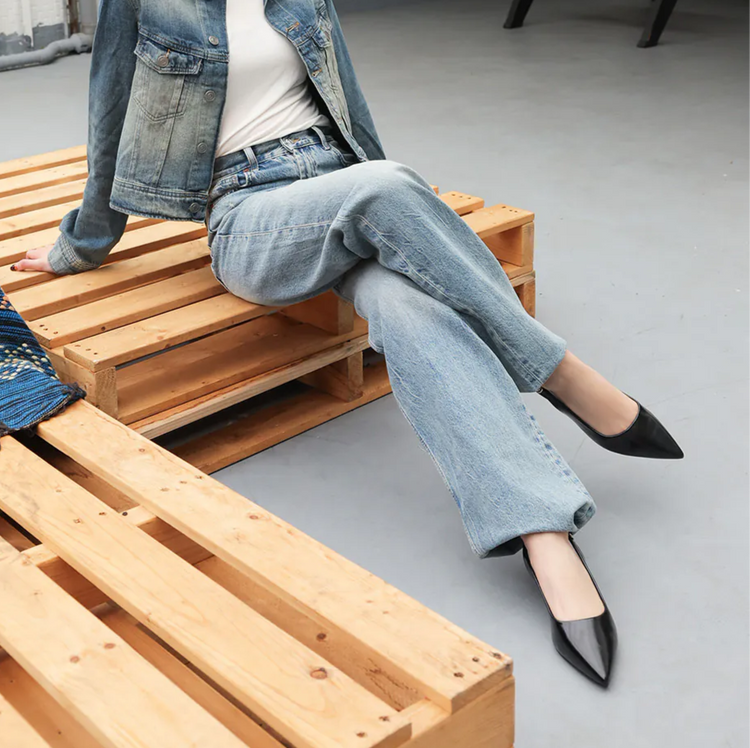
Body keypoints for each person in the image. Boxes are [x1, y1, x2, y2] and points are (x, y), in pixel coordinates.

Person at [12, 0, 683, 687]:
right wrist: (80, 246)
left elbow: (351, 110)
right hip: (249, 215)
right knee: (384, 188)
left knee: (407, 303)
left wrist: (407, 232)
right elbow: (110, 116)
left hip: (340, 183)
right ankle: (560, 372)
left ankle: (543, 533)